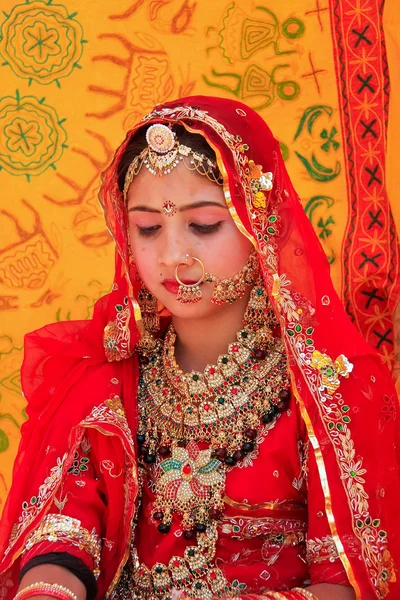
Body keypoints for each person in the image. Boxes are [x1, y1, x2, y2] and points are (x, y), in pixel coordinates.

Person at [0, 96, 399, 600]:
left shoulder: (330, 393)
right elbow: (62, 531)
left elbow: (347, 585)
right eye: (147, 228)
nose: (172, 255)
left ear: (260, 223)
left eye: (204, 224)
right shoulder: (108, 380)